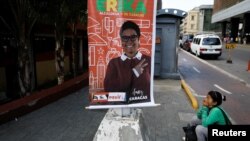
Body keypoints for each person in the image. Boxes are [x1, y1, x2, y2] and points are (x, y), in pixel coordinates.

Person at [104, 21, 151, 103]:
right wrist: (134, 73)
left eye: (133, 37)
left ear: (138, 39)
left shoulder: (148, 60)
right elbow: (109, 90)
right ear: (121, 41)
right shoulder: (114, 63)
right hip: (119, 108)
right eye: (125, 38)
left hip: (142, 107)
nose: (129, 41)